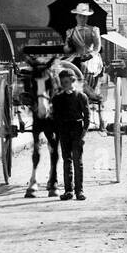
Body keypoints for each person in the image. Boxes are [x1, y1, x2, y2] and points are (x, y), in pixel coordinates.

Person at [51, 69, 91, 201]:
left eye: (66, 82)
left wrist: (83, 134)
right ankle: (68, 190)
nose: (64, 84)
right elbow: (55, 116)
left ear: (73, 81)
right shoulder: (57, 98)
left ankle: (79, 191)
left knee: (77, 161)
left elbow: (87, 117)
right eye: (62, 82)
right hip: (64, 130)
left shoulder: (81, 96)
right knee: (66, 160)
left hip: (77, 130)